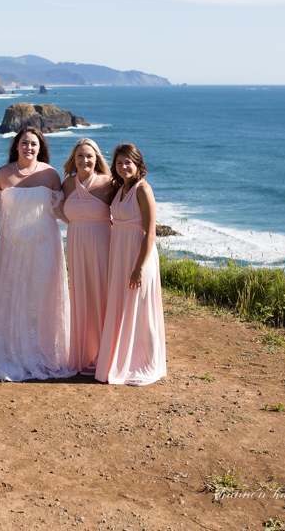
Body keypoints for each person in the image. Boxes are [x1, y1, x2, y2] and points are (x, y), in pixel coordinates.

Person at [0, 127, 75, 382]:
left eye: (33, 144)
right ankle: (13, 354)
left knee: (42, 299)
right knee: (15, 297)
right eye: (24, 143)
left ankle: (44, 352)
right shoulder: (2, 173)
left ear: (40, 147)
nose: (29, 148)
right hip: (13, 247)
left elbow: (64, 212)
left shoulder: (51, 174)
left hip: (45, 245)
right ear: (17, 145)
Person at [99, 143, 166, 386]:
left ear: (138, 163)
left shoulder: (142, 190)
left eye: (128, 162)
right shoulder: (121, 188)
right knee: (123, 307)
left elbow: (150, 233)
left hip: (139, 256)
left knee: (140, 309)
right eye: (119, 162)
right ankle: (121, 359)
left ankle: (143, 363)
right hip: (120, 254)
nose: (123, 166)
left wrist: (138, 267)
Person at [59, 138, 115, 376]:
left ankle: (106, 355)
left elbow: (125, 210)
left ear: (97, 158)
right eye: (80, 156)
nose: (85, 160)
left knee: (102, 296)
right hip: (76, 245)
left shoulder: (109, 183)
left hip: (103, 244)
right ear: (74, 158)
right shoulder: (66, 185)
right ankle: (85, 354)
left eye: (89, 156)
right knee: (82, 297)